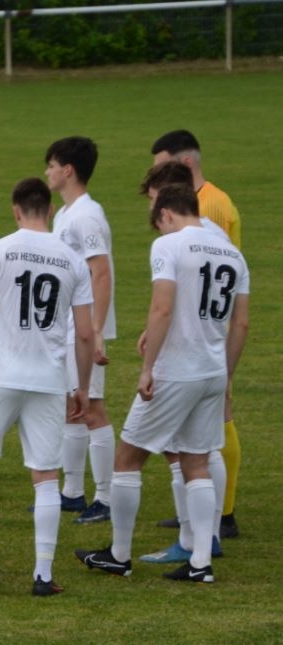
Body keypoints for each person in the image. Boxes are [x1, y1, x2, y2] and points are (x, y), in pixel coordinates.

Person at [75, 184, 249, 584]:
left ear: (167, 213)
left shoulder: (169, 246)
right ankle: (201, 562)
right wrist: (226, 377)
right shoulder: (232, 253)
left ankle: (119, 555)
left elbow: (163, 306)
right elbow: (240, 324)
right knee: (196, 462)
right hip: (211, 371)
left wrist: (147, 366)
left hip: (176, 370)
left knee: (127, 458)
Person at [0, 178, 94, 597]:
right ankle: (42, 575)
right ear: (49, 210)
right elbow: (85, 334)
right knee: (45, 476)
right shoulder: (73, 261)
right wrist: (82, 387)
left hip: (1, 374)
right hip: (49, 380)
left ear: (15, 211)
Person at [151, 130, 242, 538]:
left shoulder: (210, 210)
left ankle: (218, 518)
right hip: (204, 337)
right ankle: (206, 524)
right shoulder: (200, 215)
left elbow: (207, 282)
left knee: (212, 426)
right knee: (200, 438)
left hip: (203, 338)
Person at [134, 162, 226, 565]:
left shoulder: (177, 241)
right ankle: (207, 535)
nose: (153, 213)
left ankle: (192, 537)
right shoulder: (218, 237)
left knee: (178, 452)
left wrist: (152, 356)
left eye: (155, 201)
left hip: (185, 360)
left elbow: (169, 302)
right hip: (213, 356)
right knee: (202, 450)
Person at [45, 136, 116, 523]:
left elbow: (100, 272)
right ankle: (72, 491)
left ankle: (106, 498)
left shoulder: (86, 216)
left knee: (93, 409)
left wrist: (97, 329)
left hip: (85, 326)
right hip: (68, 323)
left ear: (68, 170)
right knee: (71, 406)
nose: (47, 172)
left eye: (52, 165)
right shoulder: (65, 214)